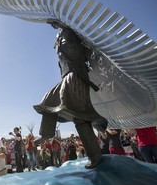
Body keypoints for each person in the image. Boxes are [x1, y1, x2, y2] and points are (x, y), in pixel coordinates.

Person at [33, 19, 108, 169]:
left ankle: (95, 155)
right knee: (49, 100)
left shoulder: (70, 35)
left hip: (77, 76)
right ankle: (46, 133)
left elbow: (73, 40)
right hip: (68, 76)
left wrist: (62, 26)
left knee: (80, 117)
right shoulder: (61, 41)